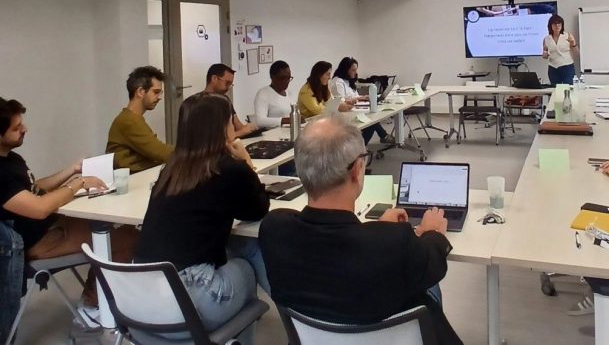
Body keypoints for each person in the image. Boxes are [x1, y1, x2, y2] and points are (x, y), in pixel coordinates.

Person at [259, 114, 462, 345]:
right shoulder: (396, 243)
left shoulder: (274, 229)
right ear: (357, 169)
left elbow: (341, 246)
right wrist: (432, 232)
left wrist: (378, 231)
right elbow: (433, 264)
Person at [134, 93, 271, 332]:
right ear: (220, 128)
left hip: (142, 304)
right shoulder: (229, 169)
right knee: (249, 255)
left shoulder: (171, 170)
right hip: (189, 306)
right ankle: (301, 318)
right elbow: (258, 208)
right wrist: (247, 162)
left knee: (235, 244)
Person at [0, 97, 138, 330]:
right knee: (129, 239)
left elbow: (35, 189)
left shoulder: (11, 159)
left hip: (53, 227)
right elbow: (40, 207)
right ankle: (92, 308)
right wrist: (78, 184)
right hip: (39, 242)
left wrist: (72, 171)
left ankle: (95, 299)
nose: (25, 129)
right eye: (16, 127)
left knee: (116, 227)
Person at [106, 66, 174, 173]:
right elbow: (160, 152)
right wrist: (193, 153)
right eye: (156, 92)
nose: (160, 97)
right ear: (140, 92)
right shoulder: (129, 121)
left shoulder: (131, 118)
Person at [331, 57, 394, 145]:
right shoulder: (338, 82)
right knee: (371, 120)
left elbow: (354, 96)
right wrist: (360, 98)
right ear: (345, 69)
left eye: (356, 70)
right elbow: (341, 101)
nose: (355, 72)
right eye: (353, 70)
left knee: (372, 118)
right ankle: (365, 145)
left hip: (354, 109)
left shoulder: (349, 80)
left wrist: (363, 97)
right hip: (345, 113)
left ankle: (379, 137)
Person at [200, 63, 258, 138]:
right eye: (227, 83)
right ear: (214, 78)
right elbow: (212, 140)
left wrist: (250, 129)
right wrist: (241, 132)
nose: (228, 88)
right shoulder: (199, 104)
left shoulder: (225, 100)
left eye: (231, 84)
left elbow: (239, 126)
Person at [253, 60, 297, 129]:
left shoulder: (290, 93)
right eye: (282, 78)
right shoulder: (263, 94)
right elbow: (260, 121)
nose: (286, 81)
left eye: (288, 78)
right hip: (272, 135)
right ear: (272, 77)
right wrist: (284, 120)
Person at [542, 14, 578, 85]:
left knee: (567, 89)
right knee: (555, 90)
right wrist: (544, 55)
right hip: (553, 68)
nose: (557, 26)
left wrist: (573, 43)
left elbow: (577, 53)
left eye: (559, 24)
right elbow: (545, 55)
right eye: (555, 24)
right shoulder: (546, 39)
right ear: (550, 26)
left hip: (567, 67)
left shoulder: (568, 36)